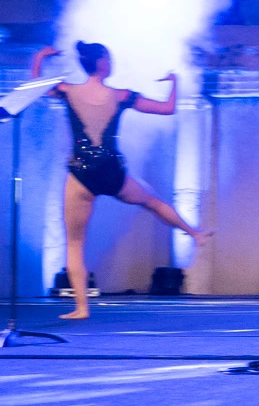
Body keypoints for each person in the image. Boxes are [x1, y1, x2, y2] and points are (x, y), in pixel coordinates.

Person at [26, 40, 207, 321]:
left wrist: (40, 56)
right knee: (152, 201)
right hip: (112, 172)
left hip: (81, 173)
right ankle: (194, 233)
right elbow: (167, 108)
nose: (111, 63)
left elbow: (35, 88)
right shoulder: (120, 95)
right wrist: (174, 82)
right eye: (108, 58)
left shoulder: (68, 91)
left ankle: (82, 308)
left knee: (74, 243)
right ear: (102, 63)